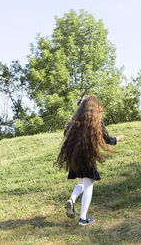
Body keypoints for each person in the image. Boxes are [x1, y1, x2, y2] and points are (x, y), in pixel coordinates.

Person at [55, 96, 124, 226]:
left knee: (81, 183)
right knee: (88, 185)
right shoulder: (96, 122)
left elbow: (66, 134)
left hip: (74, 157)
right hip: (88, 156)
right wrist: (118, 139)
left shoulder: (74, 121)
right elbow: (107, 139)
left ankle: (72, 199)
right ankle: (82, 218)